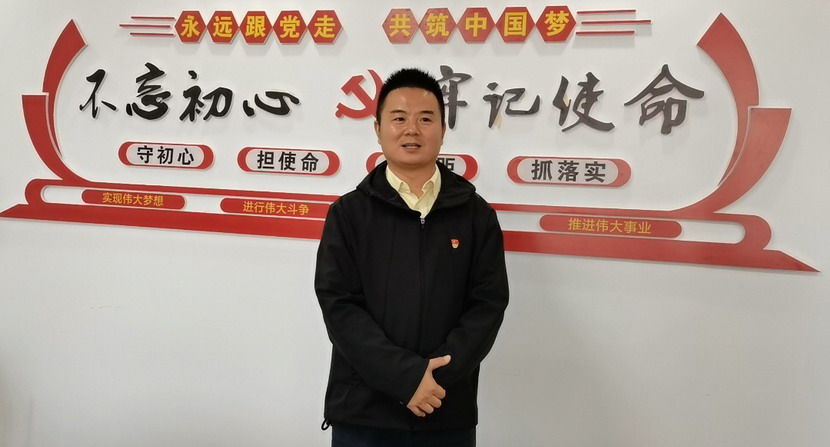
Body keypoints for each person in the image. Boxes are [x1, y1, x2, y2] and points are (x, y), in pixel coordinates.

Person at [314, 67, 509, 446]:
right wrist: (405, 378)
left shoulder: (476, 215)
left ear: (443, 129)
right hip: (363, 413)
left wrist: (431, 381)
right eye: (399, 118)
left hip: (443, 409)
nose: (412, 130)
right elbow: (339, 306)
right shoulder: (349, 214)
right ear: (378, 129)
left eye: (425, 119)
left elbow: (487, 305)